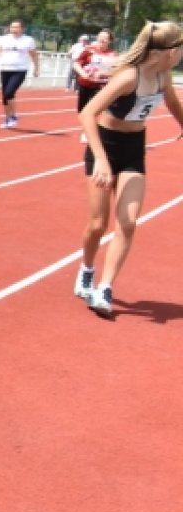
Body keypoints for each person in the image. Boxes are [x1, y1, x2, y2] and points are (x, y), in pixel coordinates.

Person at [75, 20, 183, 317]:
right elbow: (88, 113)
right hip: (105, 146)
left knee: (129, 222)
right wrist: (99, 159)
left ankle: (105, 288)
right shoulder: (128, 77)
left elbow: (174, 105)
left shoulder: (163, 76)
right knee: (98, 224)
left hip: (134, 149)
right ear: (170, 51)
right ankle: (86, 269)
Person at [0, 19, 40, 129]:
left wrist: (36, 68)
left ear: (22, 29)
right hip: (5, 69)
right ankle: (7, 118)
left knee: (9, 92)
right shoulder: (4, 39)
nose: (14, 29)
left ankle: (14, 116)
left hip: (20, 70)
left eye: (17, 27)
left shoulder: (28, 40)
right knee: (5, 96)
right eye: (12, 27)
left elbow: (34, 55)